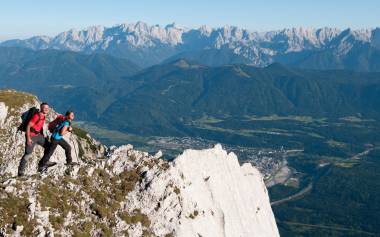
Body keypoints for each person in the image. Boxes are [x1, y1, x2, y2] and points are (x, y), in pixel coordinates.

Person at [18, 102, 55, 176]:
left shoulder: (43, 116)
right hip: (31, 136)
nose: (46, 109)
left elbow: (39, 126)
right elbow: (28, 126)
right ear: (41, 108)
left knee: (49, 146)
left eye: (47, 108)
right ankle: (20, 172)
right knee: (28, 154)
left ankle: (43, 163)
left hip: (38, 135)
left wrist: (42, 135)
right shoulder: (37, 116)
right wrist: (28, 139)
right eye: (45, 108)